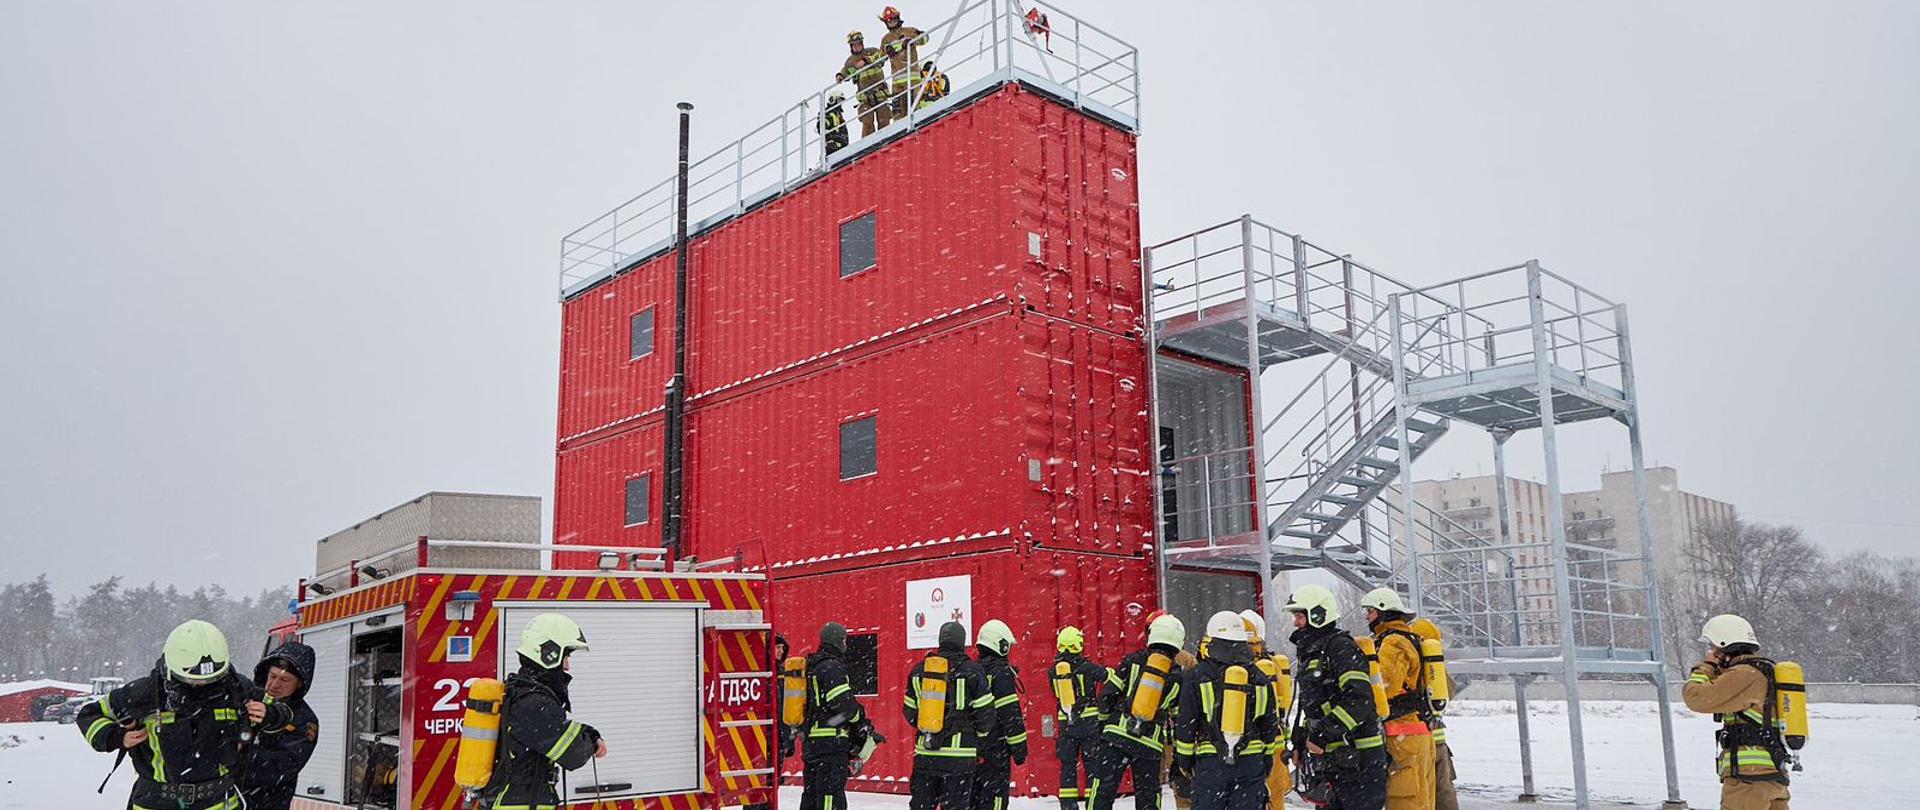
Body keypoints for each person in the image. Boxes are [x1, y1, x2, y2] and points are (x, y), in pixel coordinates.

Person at [76, 620, 291, 810]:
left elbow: (285, 713)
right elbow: (89, 714)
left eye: (212, 679)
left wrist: (270, 714)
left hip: (219, 801)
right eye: (194, 681)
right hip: (155, 802)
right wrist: (116, 736)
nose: (204, 685)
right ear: (172, 668)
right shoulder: (145, 692)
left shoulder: (236, 687)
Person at [1286, 585, 1386, 810]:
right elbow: (1314, 705)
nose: (1295, 623)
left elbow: (1359, 700)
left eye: (1300, 616)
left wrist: (1322, 734)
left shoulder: (1340, 648)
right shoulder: (1314, 652)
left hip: (1359, 760)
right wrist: (1300, 741)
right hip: (1336, 760)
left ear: (1318, 615)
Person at [491, 613, 606, 809]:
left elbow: (557, 732)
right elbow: (573, 752)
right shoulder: (533, 704)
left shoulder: (523, 695)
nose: (568, 666)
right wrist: (592, 742)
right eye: (566, 657)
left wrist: (589, 733)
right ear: (549, 653)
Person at [1682, 614, 1792, 810]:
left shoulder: (1745, 675)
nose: (1712, 652)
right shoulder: (1762, 671)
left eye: (1715, 648)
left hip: (1749, 782)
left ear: (1726, 646)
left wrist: (1706, 667)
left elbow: (1696, 698)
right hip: (1770, 777)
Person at [1176, 611, 1281, 810]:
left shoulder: (1197, 675)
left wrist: (1185, 761)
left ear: (1213, 640)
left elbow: (1186, 725)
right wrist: (1266, 760)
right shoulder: (1260, 677)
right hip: (1250, 763)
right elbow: (1269, 726)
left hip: (1211, 763)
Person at [1087, 613, 1186, 810]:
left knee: (1102, 791)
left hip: (1117, 736)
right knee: (1148, 797)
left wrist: (1104, 724)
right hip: (1149, 745)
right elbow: (1178, 719)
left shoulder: (1133, 661)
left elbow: (1108, 694)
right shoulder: (1178, 677)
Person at [903, 621, 994, 810]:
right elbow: (986, 717)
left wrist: (932, 725)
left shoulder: (920, 671)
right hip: (960, 759)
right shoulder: (973, 671)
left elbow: (910, 713)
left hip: (926, 755)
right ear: (962, 642)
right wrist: (974, 733)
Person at [1359, 589, 1435, 810]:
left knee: (1405, 798)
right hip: (1417, 730)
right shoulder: (1409, 638)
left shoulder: (1392, 642)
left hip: (1403, 732)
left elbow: (1386, 686)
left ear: (1383, 612)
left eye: (1370, 611)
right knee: (1422, 797)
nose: (1367, 617)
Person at [800, 622, 875, 810]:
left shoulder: (812, 665)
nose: (846, 645)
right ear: (838, 641)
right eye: (844, 640)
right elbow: (843, 704)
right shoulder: (831, 667)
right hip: (830, 744)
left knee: (811, 794)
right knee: (830, 796)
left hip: (812, 743)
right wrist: (860, 717)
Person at [240, 641, 320, 810]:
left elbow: (283, 767)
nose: (275, 685)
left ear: (300, 683)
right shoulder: (246, 699)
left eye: (285, 680)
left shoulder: (305, 721)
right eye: (272, 676)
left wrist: (237, 753)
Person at [970, 619, 1029, 810]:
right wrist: (1020, 750)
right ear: (1000, 645)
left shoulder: (971, 671)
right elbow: (1010, 715)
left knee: (973, 801)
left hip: (971, 751)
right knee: (995, 801)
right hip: (995, 751)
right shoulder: (1001, 673)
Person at [1239, 610, 1291, 810]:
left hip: (1253, 742)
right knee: (1276, 798)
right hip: (1276, 741)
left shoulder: (1245, 667)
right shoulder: (1276, 662)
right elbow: (1284, 701)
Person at [1051, 626, 1108, 810]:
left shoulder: (1053, 671)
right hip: (1089, 724)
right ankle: (1093, 804)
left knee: (1067, 768)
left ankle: (1068, 805)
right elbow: (1110, 678)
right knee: (1092, 766)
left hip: (1066, 724)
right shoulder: (1089, 668)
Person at [1407, 620, 1458, 810]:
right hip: (1439, 742)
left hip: (1416, 740)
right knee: (1444, 793)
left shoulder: (1410, 665)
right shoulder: (1435, 668)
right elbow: (1447, 694)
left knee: (1417, 794)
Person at [836, 31, 890, 136]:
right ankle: (868, 144)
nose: (857, 47)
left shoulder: (872, 52)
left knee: (884, 117)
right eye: (854, 45)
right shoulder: (850, 62)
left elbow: (883, 56)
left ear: (862, 43)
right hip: (865, 98)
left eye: (858, 44)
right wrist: (840, 76)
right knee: (867, 120)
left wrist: (867, 61)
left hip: (880, 93)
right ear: (851, 47)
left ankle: (886, 138)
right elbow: (846, 72)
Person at [878, 6, 927, 117]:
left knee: (915, 111)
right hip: (897, 83)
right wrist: (887, 51)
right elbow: (880, 59)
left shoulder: (909, 31)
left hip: (912, 79)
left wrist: (912, 41)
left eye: (893, 19)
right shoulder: (886, 39)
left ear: (898, 18)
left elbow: (925, 38)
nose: (891, 22)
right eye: (888, 21)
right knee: (898, 115)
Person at [820, 91, 850, 156]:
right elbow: (821, 127)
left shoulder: (838, 115)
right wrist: (830, 141)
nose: (840, 103)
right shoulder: (827, 113)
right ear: (832, 100)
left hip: (842, 147)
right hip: (833, 147)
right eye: (839, 100)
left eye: (841, 101)